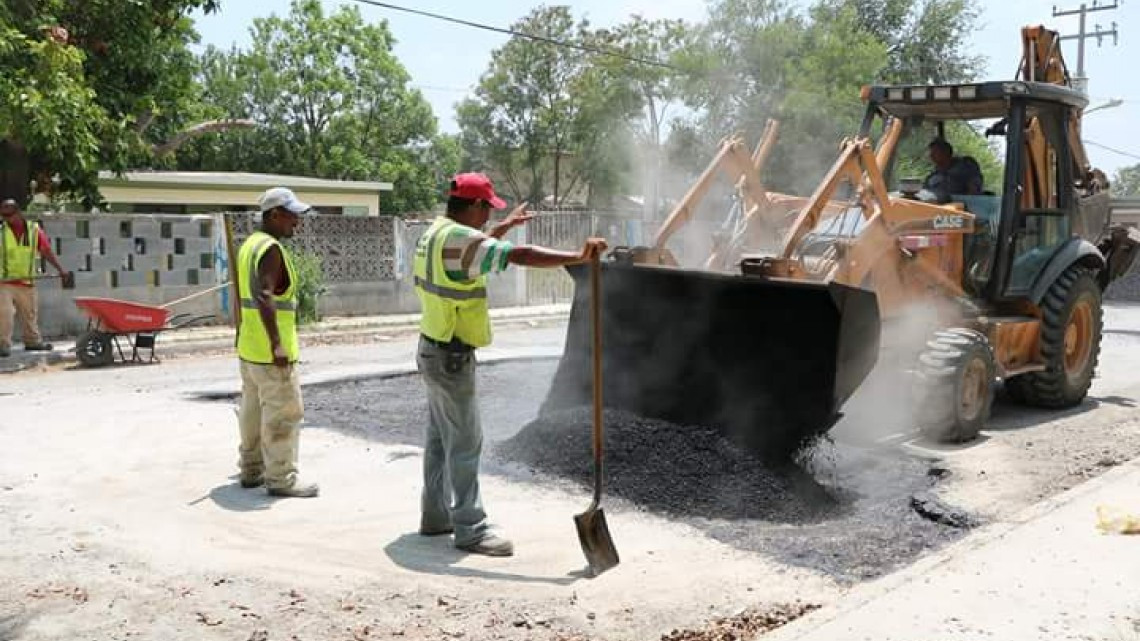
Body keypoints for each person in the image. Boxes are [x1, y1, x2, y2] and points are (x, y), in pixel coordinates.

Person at [414, 173, 607, 557]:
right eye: (487, 210)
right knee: (466, 443)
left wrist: (503, 227)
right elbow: (520, 256)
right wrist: (578, 257)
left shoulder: (434, 233)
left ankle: (435, 515)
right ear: (473, 206)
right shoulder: (460, 238)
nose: (487, 219)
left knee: (439, 440)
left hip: (430, 349)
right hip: (451, 355)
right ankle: (470, 528)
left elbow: (471, 251)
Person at [233, 188, 319, 498]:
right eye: (291, 214)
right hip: (271, 352)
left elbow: (246, 296)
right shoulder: (270, 249)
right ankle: (282, 478)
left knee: (252, 411)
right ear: (274, 215)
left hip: (250, 348)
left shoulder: (249, 246)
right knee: (283, 412)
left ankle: (251, 468)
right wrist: (278, 344)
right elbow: (264, 296)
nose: (296, 221)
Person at [0, 199, 70, 358]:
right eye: (3, 215)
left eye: (8, 215)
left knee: (29, 314)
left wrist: (61, 270)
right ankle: (2, 345)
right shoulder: (1, 231)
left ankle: (32, 342)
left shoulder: (33, 230)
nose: (5, 218)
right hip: (4, 281)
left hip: (26, 281)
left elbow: (46, 251)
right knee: (5, 313)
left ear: (18, 213)